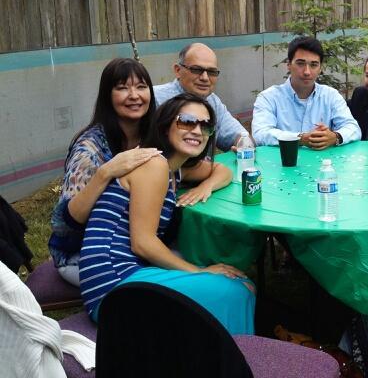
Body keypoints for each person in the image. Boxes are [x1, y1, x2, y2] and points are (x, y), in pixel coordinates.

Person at [79, 93, 254, 335]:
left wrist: (206, 186)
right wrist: (198, 271)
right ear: (165, 125)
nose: (197, 130)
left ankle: (220, 353)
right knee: (236, 289)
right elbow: (143, 243)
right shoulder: (154, 164)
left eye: (206, 126)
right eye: (187, 121)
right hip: (114, 284)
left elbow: (222, 170)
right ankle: (231, 358)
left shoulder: (174, 169)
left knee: (238, 285)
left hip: (123, 276)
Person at [48, 59, 162, 286]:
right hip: (84, 256)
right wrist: (106, 172)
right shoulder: (89, 148)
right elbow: (66, 223)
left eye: (141, 87)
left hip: (133, 245)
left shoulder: (153, 136)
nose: (134, 95)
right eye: (122, 87)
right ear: (107, 96)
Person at [251, 36, 361, 149]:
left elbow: (353, 128)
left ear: (320, 68)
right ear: (288, 65)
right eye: (300, 63)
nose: (307, 72)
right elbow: (260, 134)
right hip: (281, 164)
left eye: (313, 65)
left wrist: (335, 137)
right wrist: (300, 138)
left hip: (322, 163)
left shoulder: (331, 96)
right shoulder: (268, 97)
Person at [154, 43, 247, 151]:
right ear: (178, 70)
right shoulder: (154, 98)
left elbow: (238, 134)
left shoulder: (213, 102)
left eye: (211, 72)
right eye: (196, 70)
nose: (205, 78)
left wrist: (244, 145)